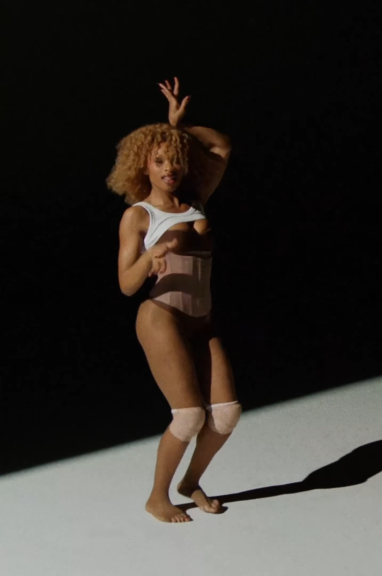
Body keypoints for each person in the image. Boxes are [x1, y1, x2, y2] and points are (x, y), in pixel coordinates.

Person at [108, 78, 239, 521]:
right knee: (187, 418)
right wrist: (152, 255)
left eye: (176, 161)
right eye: (159, 160)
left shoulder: (196, 199)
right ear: (141, 166)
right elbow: (127, 285)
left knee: (225, 415)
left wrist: (178, 129)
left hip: (201, 320)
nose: (169, 168)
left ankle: (190, 481)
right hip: (160, 316)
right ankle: (157, 497)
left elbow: (220, 146)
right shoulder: (138, 216)